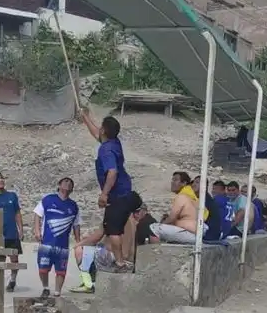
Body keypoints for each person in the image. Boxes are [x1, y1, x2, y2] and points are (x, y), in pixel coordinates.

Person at [80, 108, 142, 271]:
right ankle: (123, 260)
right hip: (127, 194)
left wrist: (104, 194)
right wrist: (86, 118)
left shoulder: (105, 150)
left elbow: (112, 172)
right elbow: (97, 134)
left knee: (113, 230)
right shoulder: (114, 143)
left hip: (118, 196)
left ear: (104, 130)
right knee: (115, 227)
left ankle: (120, 262)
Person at [71, 204, 156, 294]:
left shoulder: (118, 219)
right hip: (128, 263)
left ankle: (88, 284)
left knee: (80, 250)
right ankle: (92, 282)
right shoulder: (131, 221)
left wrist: (77, 245)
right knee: (90, 248)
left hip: (121, 262)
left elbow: (95, 239)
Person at [33, 177, 82, 298]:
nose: (68, 184)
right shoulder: (48, 200)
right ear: (59, 185)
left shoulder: (74, 206)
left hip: (63, 245)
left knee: (61, 270)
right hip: (47, 242)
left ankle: (57, 292)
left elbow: (76, 225)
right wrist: (37, 230)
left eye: (71, 183)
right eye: (65, 182)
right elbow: (37, 215)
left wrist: (78, 242)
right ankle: (45, 287)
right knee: (43, 269)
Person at [0, 171, 24, 292]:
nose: (1, 180)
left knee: (14, 259)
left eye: (2, 178)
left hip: (11, 232)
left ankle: (12, 280)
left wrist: (20, 229)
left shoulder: (12, 196)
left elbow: (17, 213)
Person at [149, 172, 198, 245]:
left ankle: (156, 253)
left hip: (190, 234)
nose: (172, 182)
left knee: (154, 227)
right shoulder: (190, 195)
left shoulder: (182, 196)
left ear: (184, 183)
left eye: (175, 180)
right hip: (192, 233)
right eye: (172, 180)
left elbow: (171, 219)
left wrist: (162, 224)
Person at [192, 175, 223, 241]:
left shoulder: (205, 200)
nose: (193, 184)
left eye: (197, 182)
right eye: (193, 182)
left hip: (209, 234)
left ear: (204, 186)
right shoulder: (202, 198)